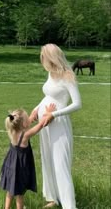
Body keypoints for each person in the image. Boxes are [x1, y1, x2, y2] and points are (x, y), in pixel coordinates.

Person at [29, 44, 82, 208]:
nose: (41, 58)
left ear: (51, 57)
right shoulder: (51, 73)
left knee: (60, 164)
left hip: (58, 125)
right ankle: (53, 197)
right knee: (47, 160)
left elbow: (77, 104)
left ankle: (69, 205)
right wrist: (36, 109)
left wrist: (54, 114)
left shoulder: (67, 76)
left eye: (43, 55)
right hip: (44, 124)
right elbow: (48, 96)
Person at [0, 104, 56, 209]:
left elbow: (26, 122)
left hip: (10, 164)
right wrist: (49, 113)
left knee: (10, 191)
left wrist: (32, 115)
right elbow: (41, 125)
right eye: (27, 119)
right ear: (23, 124)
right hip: (20, 168)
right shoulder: (25, 135)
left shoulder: (12, 131)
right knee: (19, 194)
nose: (29, 120)